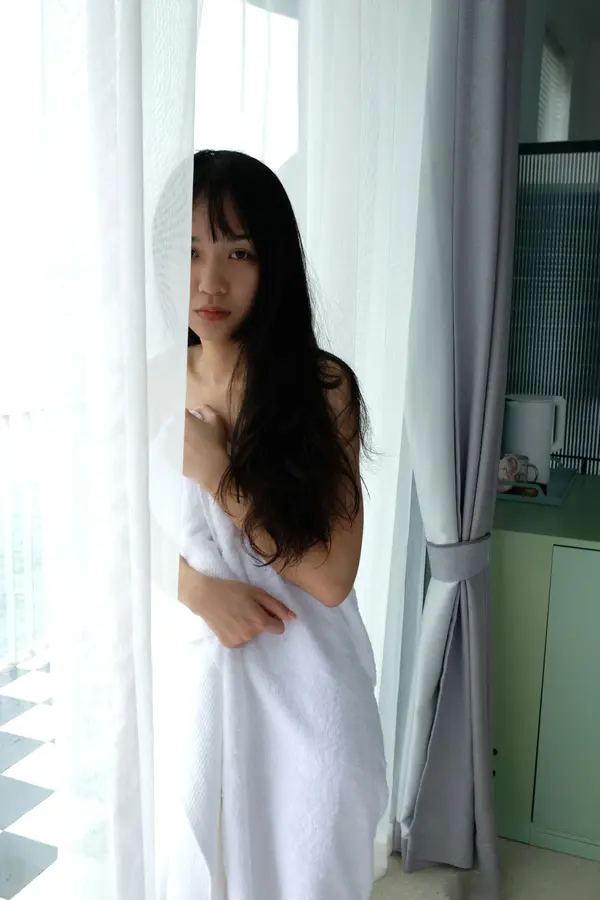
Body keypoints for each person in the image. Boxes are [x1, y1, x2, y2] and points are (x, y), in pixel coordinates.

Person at [156, 150, 387, 900]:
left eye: (238, 252)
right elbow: (114, 533)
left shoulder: (322, 386)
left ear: (274, 262)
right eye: (190, 251)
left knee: (311, 873)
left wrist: (219, 471)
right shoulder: (149, 381)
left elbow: (332, 575)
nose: (209, 281)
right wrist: (196, 591)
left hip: (311, 693)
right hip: (203, 691)